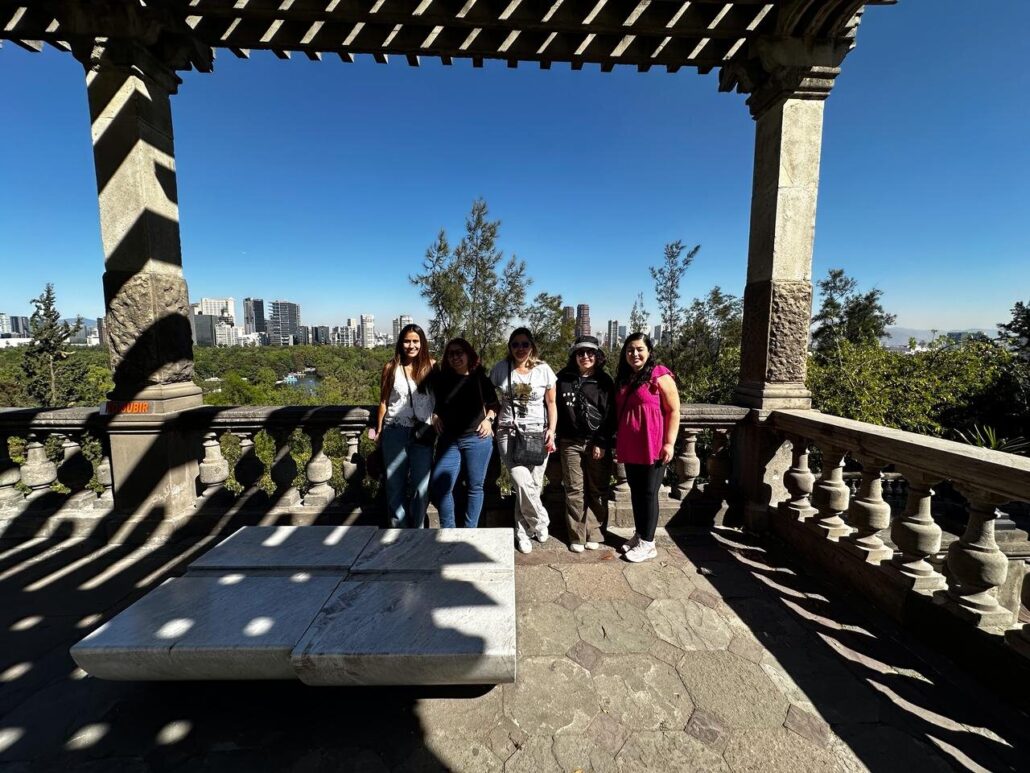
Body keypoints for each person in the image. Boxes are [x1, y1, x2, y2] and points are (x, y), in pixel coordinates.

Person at [490, 328, 558, 554]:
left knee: (534, 485)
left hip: (537, 433)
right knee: (521, 482)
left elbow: (551, 404)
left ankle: (523, 531)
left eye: (525, 344)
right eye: (516, 344)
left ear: (532, 346)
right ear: (510, 346)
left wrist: (552, 430)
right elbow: (489, 399)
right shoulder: (501, 369)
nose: (520, 349)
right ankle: (541, 520)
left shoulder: (544, 370)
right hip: (508, 432)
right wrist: (489, 417)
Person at [614, 332, 680, 562]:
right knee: (636, 491)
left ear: (649, 351)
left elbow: (673, 411)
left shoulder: (659, 375)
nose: (635, 354)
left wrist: (669, 443)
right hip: (632, 445)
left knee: (649, 493)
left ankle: (649, 543)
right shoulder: (626, 377)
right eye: (630, 350)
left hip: (653, 444)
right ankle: (640, 534)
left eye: (640, 349)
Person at [428, 338, 500, 528]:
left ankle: (470, 530)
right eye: (451, 353)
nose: (455, 357)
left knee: (475, 487)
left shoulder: (479, 378)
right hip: (449, 440)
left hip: (477, 439)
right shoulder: (443, 380)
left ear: (468, 354)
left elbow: (494, 404)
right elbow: (437, 405)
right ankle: (448, 529)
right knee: (442, 486)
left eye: (459, 352)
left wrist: (489, 420)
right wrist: (435, 415)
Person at [371, 324, 435, 528]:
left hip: (423, 433)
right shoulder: (391, 368)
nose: (411, 345)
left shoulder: (432, 367)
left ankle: (417, 530)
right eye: (407, 341)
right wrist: (379, 430)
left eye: (415, 341)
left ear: (422, 343)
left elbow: (441, 399)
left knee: (421, 486)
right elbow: (383, 402)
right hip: (394, 431)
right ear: (400, 343)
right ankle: (398, 530)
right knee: (394, 485)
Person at [555, 335, 615, 553]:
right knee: (574, 490)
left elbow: (610, 415)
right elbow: (552, 407)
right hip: (570, 442)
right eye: (581, 353)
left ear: (598, 356)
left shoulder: (604, 382)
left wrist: (601, 441)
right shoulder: (563, 378)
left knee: (598, 489)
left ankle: (595, 532)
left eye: (590, 353)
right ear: (574, 356)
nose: (586, 357)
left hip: (596, 443)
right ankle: (576, 535)